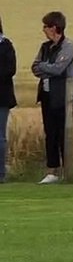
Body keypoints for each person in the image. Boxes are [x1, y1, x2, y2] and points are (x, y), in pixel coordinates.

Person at [31, 11, 73, 184]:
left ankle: (68, 170)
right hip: (47, 95)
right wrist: (46, 67)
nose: (43, 30)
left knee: (64, 134)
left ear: (54, 28)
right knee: (50, 133)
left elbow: (59, 68)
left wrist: (45, 67)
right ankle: (52, 171)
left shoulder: (68, 46)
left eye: (45, 26)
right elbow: (34, 67)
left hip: (64, 97)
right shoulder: (45, 47)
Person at [0, 16, 15, 183]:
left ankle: (0, 173)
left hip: (1, 98)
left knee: (0, 137)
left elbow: (10, 69)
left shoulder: (5, 46)